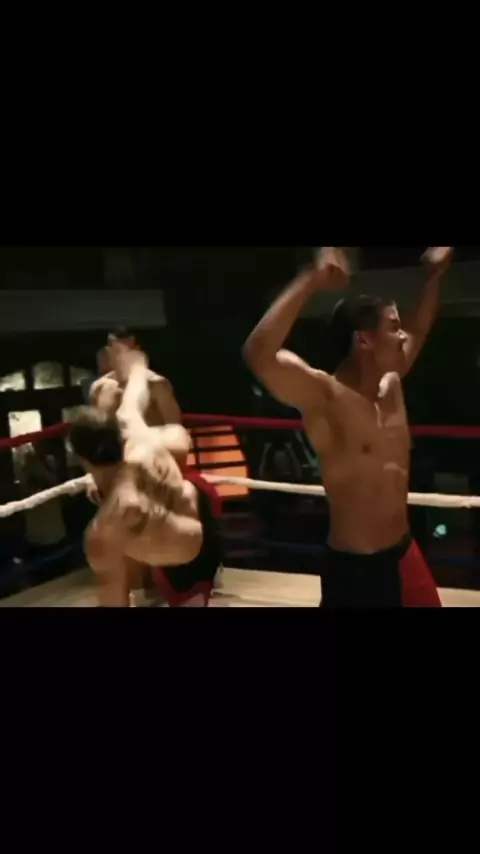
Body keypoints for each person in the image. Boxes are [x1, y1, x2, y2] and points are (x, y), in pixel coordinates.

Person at [243, 246, 453, 608]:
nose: (403, 337)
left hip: (404, 551)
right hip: (357, 570)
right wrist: (310, 279)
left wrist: (434, 276)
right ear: (363, 340)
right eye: (393, 327)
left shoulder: (391, 383)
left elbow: (419, 327)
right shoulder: (325, 397)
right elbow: (258, 354)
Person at [70, 350, 222, 607]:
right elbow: (136, 388)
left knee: (116, 551)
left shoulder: (105, 528)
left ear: (82, 460)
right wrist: (133, 362)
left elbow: (113, 597)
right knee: (176, 446)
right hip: (198, 525)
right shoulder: (132, 429)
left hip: (176, 550)